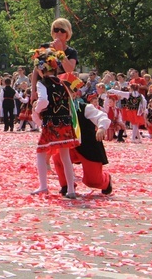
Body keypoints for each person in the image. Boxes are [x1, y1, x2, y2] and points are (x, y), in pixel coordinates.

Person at [31, 48, 80, 199]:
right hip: (65, 121)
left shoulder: (42, 83)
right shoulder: (63, 82)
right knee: (65, 156)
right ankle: (71, 189)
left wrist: (37, 109)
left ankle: (43, 186)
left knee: (41, 152)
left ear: (41, 69)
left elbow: (44, 101)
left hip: (51, 121)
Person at [52, 85, 113, 196]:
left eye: (66, 92)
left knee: (93, 181)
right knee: (57, 156)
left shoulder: (85, 108)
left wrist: (101, 128)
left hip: (88, 147)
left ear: (75, 94)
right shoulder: (56, 109)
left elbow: (101, 116)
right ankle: (67, 185)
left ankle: (106, 180)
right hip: (69, 147)